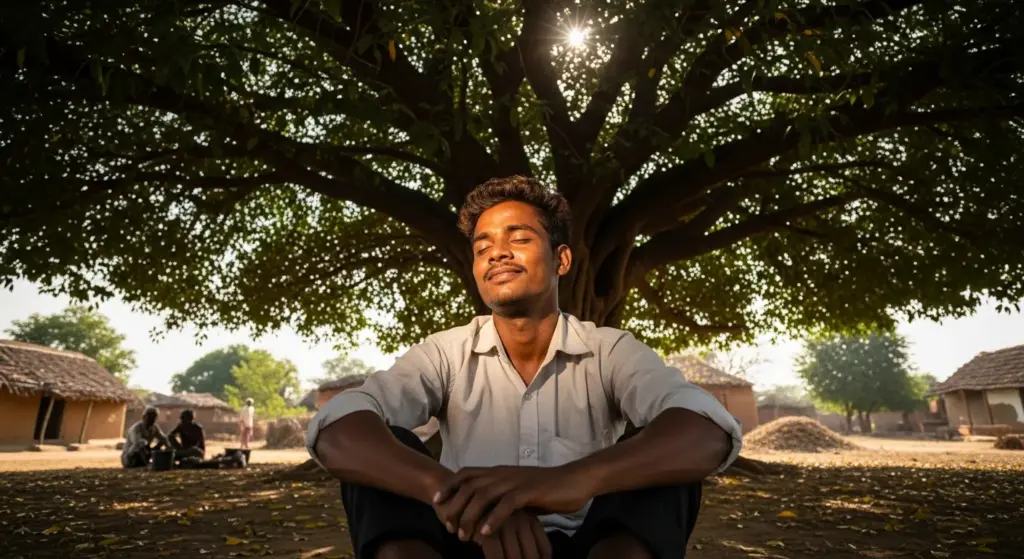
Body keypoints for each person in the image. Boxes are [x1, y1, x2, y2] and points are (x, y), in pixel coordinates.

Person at [306, 176, 743, 559]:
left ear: (562, 260)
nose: (497, 254)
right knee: (384, 453)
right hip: (466, 542)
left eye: (518, 239)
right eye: (483, 247)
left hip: (593, 545)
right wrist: (465, 501)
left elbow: (706, 429)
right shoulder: (444, 352)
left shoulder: (609, 350)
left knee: (660, 453)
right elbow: (337, 427)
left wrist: (571, 481)